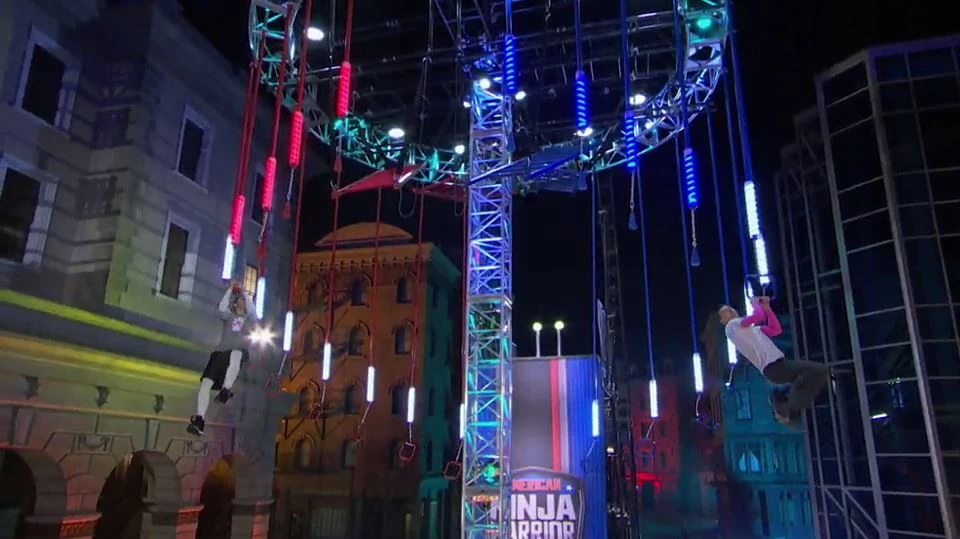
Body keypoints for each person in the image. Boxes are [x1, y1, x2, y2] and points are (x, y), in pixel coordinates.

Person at [719, 296, 828, 429]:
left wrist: (767, 309)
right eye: (725, 312)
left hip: (778, 365)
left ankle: (782, 398)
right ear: (722, 320)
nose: (730, 310)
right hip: (773, 367)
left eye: (730, 309)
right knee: (818, 370)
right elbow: (758, 316)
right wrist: (755, 304)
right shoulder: (731, 326)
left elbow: (776, 329)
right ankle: (787, 407)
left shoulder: (753, 330)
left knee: (816, 373)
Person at [188, 282, 258, 436]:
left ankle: (226, 389)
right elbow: (221, 308)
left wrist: (245, 293)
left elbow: (254, 313)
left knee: (236, 354)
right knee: (206, 383)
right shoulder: (229, 316)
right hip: (221, 353)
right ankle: (199, 419)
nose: (242, 302)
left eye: (243, 300)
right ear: (235, 304)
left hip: (236, 353)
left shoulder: (248, 320)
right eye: (239, 300)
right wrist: (230, 290)